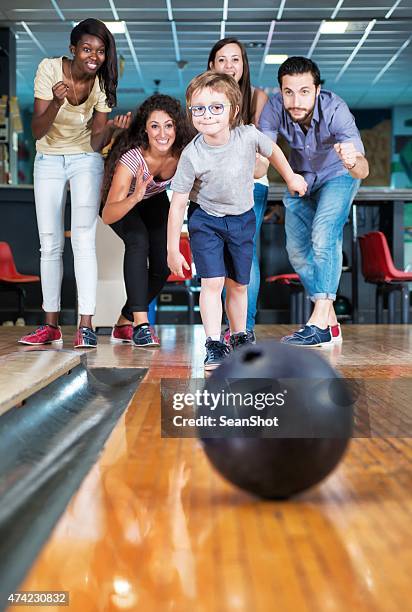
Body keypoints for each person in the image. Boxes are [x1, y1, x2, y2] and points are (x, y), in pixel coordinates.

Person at [167, 71, 307, 370]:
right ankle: (214, 342)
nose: (207, 115)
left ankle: (240, 335)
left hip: (242, 219)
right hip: (206, 220)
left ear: (233, 110)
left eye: (216, 107)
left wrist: (291, 176)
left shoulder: (248, 136)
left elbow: (274, 151)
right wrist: (172, 249)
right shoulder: (192, 154)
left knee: (239, 284)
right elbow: (178, 202)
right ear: (191, 111)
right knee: (212, 281)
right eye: (199, 108)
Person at [19, 18, 130, 349]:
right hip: (48, 159)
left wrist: (111, 130)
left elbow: (95, 143)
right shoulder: (49, 69)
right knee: (50, 242)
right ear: (73, 50)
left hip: (85, 160)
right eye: (86, 49)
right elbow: (37, 131)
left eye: (99, 50)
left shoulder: (103, 84)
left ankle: (86, 325)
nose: (93, 56)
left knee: (83, 240)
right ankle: (50, 325)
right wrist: (56, 102)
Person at [259, 56, 369, 347]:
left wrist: (351, 160)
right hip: (301, 179)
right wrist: (254, 155)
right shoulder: (273, 108)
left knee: (324, 233)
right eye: (289, 92)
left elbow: (363, 169)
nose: (296, 100)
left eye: (304, 91)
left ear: (317, 90)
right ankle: (329, 322)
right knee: (296, 250)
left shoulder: (336, 110)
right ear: (280, 91)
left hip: (338, 176)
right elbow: (261, 158)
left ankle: (318, 321)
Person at [101, 94, 192, 347]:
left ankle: (123, 322)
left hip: (153, 197)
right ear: (145, 129)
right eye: (155, 126)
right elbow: (108, 214)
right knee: (138, 241)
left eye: (168, 125)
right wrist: (136, 196)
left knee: (163, 267)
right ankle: (141, 325)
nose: (162, 133)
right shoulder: (133, 159)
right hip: (121, 202)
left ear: (177, 127)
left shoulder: (182, 153)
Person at [207, 37, 269, 342]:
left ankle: (243, 327)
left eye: (235, 60)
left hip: (251, 186)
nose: (229, 66)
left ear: (244, 65)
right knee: (218, 259)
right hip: (214, 191)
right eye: (222, 60)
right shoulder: (204, 97)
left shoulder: (257, 98)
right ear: (211, 65)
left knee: (245, 255)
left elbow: (262, 153)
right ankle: (233, 326)